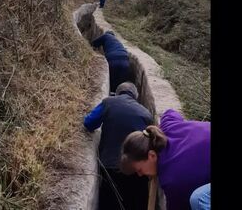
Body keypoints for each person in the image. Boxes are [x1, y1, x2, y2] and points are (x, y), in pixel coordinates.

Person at [120, 109, 210, 210]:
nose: (140, 175)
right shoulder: (168, 127)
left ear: (152, 156)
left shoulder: (173, 180)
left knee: (199, 200)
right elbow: (170, 112)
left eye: (139, 170)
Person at [84, 82, 153, 210]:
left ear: (116, 93)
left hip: (110, 166)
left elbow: (89, 123)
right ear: (135, 96)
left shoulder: (108, 102)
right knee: (135, 203)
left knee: (109, 203)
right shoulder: (145, 113)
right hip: (136, 168)